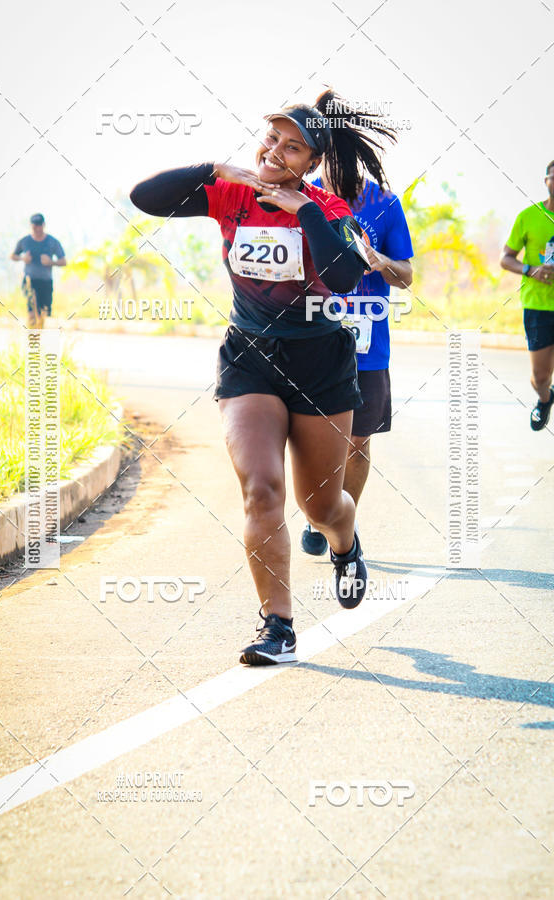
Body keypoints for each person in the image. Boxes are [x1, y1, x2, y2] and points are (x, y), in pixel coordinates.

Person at [130, 89, 393, 665]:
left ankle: (345, 544)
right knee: (262, 490)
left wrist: (303, 210)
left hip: (321, 362)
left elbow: (345, 277)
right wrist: (212, 169)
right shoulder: (231, 193)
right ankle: (279, 627)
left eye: (293, 147)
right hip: (250, 357)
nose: (276, 151)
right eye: (272, 138)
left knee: (322, 505)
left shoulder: (329, 208)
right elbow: (144, 197)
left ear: (312, 163)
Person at [301, 117, 413, 557]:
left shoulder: (384, 202)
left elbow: (405, 277)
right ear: (321, 155)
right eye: (329, 161)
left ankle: (341, 523)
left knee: (358, 441)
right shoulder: (302, 197)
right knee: (312, 437)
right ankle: (318, 512)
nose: (336, 173)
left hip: (367, 348)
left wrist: (377, 257)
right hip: (311, 340)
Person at [500, 160, 554, 430]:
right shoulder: (529, 217)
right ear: (546, 180)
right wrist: (532, 270)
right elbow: (505, 258)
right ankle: (545, 399)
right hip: (538, 307)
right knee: (540, 377)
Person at [11, 213, 66, 327]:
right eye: (35, 226)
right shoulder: (24, 241)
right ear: (31, 226)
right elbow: (13, 255)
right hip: (29, 281)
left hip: (46, 281)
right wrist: (23, 258)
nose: (37, 228)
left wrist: (50, 262)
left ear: (44, 225)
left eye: (40, 225)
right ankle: (32, 341)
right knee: (31, 312)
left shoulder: (52, 241)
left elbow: (64, 261)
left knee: (42, 313)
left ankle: (39, 339)